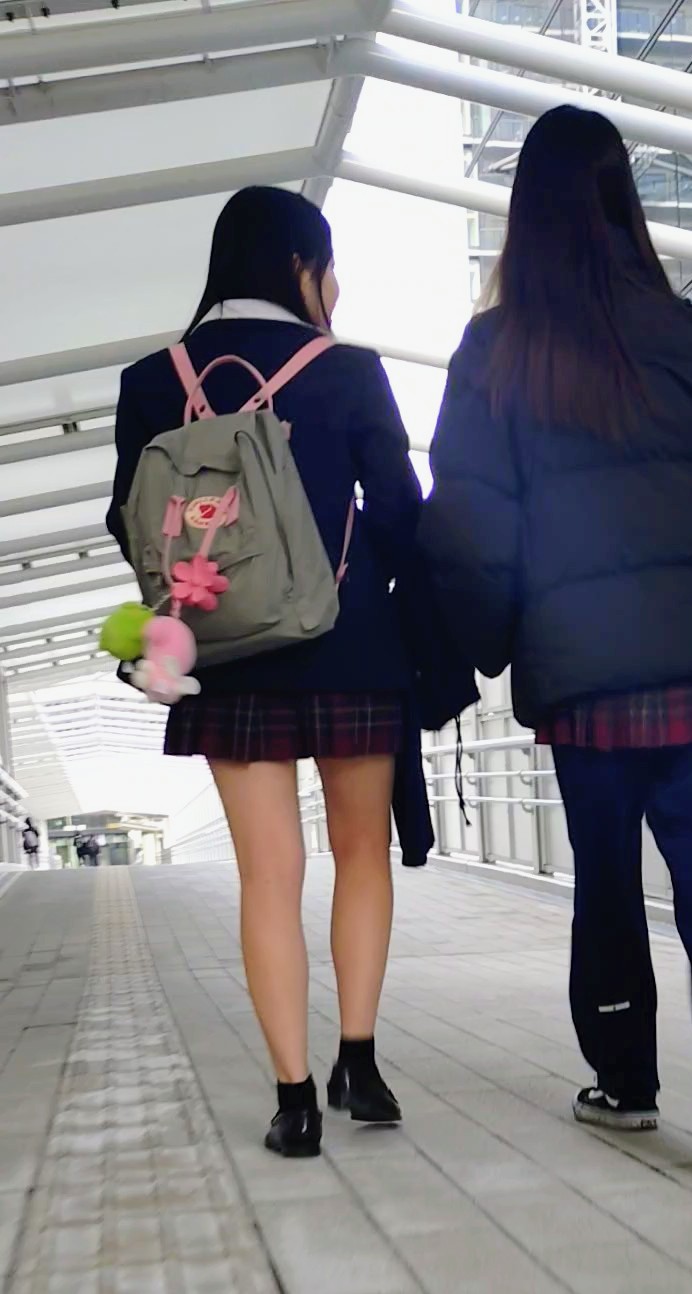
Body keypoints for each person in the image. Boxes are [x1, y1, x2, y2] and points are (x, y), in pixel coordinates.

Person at [107, 187, 422, 1158]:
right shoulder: (349, 371)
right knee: (361, 852)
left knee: (268, 876)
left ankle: (293, 1099)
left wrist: (205, 592)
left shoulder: (152, 381)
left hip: (227, 656)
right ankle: (358, 1059)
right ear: (300, 267)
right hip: (351, 644)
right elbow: (402, 513)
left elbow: (128, 520)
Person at [419, 105, 692, 1133]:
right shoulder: (681, 331)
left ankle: (625, 1082)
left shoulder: (496, 349)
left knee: (606, 883)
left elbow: (470, 524)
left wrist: (488, 641)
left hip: (582, 682)